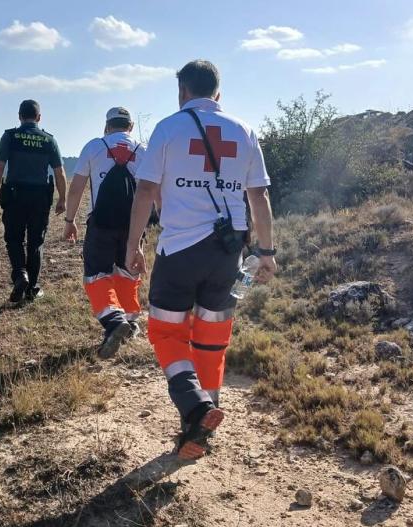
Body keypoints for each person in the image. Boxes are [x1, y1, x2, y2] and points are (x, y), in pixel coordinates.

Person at [124, 60, 277, 461]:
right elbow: (258, 197)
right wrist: (266, 252)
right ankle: (199, 429)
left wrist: (133, 245)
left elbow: (144, 191)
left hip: (179, 250)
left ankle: (195, 408)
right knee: (211, 342)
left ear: (182, 92)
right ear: (219, 94)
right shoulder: (244, 130)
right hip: (229, 255)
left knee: (165, 332)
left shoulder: (169, 128)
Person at [63, 107, 147, 358]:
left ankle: (113, 320)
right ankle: (130, 322)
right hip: (133, 224)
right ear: (130, 126)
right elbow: (151, 192)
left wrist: (70, 220)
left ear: (107, 126)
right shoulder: (143, 150)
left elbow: (77, 188)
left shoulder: (94, 146)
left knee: (96, 273)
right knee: (127, 273)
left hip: (101, 223)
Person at [0, 99, 67, 303]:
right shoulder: (49, 140)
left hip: (14, 195)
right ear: (39, 118)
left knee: (13, 239)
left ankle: (20, 274)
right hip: (40, 196)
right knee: (35, 242)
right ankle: (31, 288)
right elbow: (59, 172)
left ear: (20, 116)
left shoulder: (10, 136)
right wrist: (62, 199)